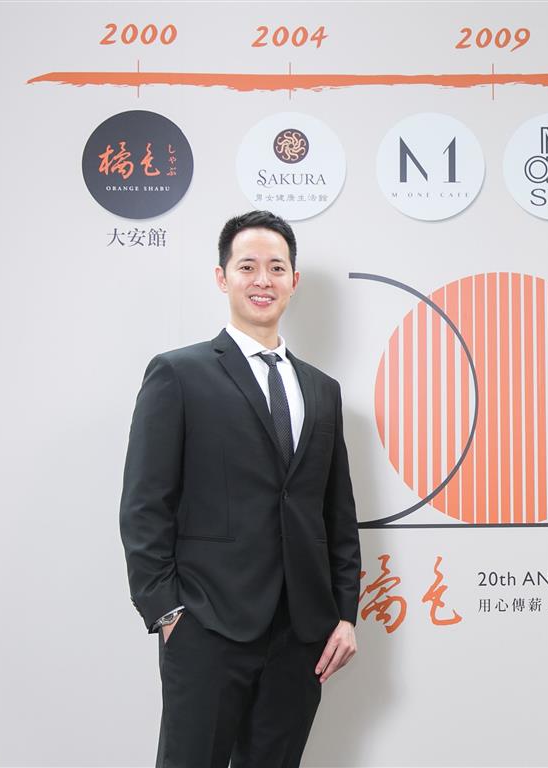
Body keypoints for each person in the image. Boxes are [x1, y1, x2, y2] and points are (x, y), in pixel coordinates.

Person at [120, 210, 361, 768]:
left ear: (294, 281)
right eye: (247, 266)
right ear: (222, 277)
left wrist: (345, 614)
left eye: (276, 267)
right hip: (207, 626)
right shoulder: (179, 374)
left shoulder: (322, 390)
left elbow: (336, 514)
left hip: (302, 634)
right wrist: (167, 612)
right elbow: (144, 506)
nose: (262, 279)